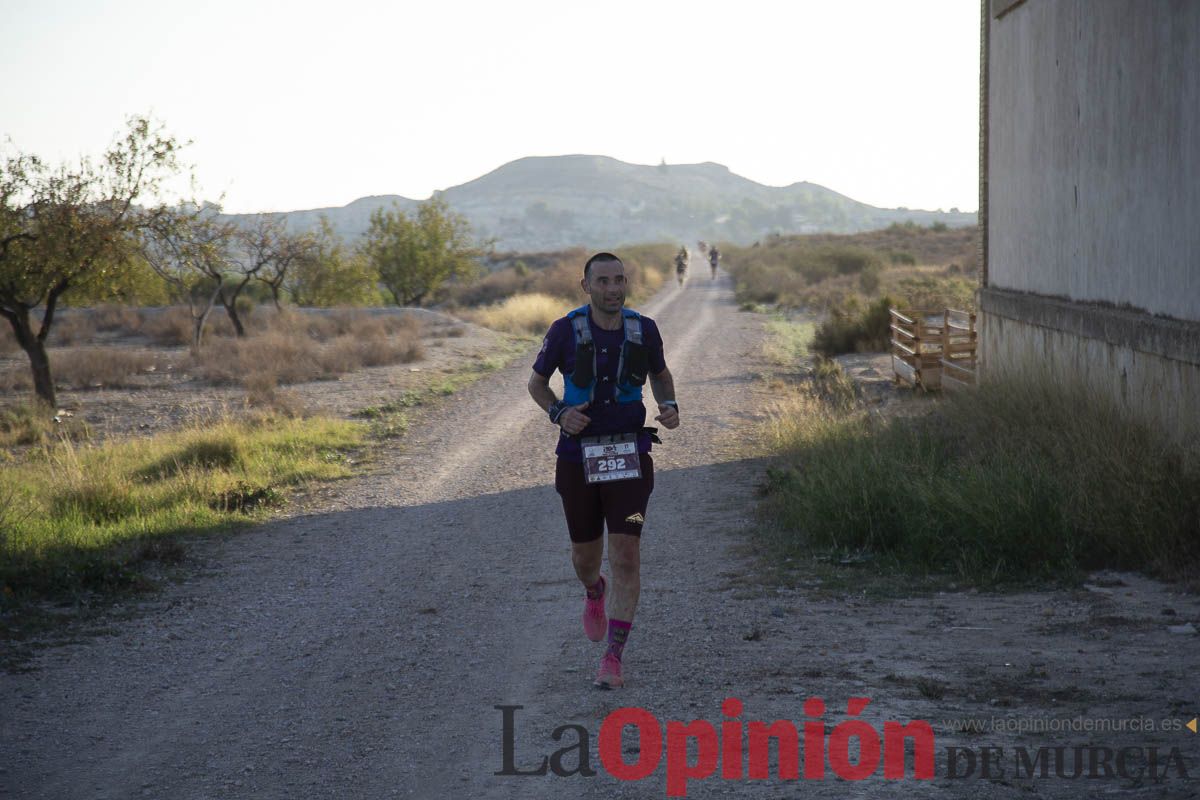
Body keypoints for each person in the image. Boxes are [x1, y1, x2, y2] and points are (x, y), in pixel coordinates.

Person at [527, 252, 680, 689]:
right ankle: (594, 590)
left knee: (627, 553)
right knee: (585, 558)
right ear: (586, 286)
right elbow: (536, 383)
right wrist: (559, 413)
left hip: (630, 455)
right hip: (578, 458)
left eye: (620, 280)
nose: (613, 289)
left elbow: (661, 375)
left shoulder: (644, 328)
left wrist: (669, 404)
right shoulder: (564, 330)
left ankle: (613, 657)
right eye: (604, 281)